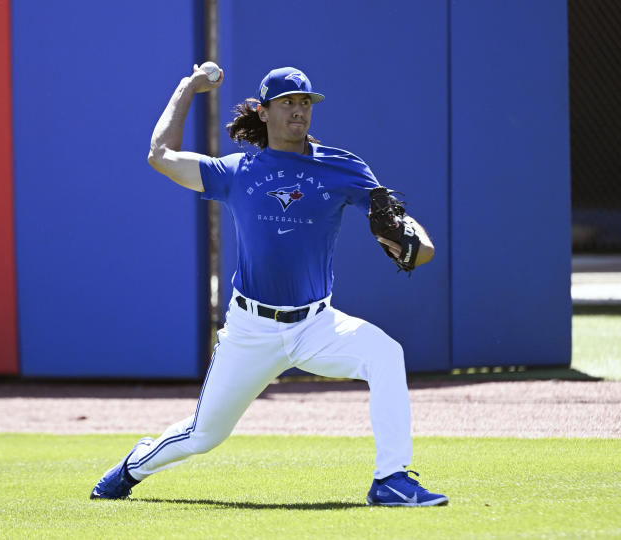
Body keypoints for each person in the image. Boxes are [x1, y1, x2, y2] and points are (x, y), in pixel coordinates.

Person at [90, 65, 447, 507]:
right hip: (251, 330)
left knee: (386, 353)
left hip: (317, 324)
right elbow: (159, 154)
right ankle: (131, 468)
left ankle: (390, 479)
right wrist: (187, 88)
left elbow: (392, 215)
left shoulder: (342, 168)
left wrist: (418, 238)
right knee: (203, 435)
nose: (298, 110)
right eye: (287, 102)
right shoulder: (235, 171)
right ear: (263, 111)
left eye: (304, 102)